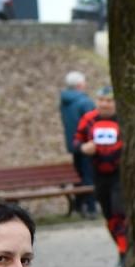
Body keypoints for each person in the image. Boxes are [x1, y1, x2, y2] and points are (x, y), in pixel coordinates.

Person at [74, 85, 126, 266]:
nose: (105, 104)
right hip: (98, 175)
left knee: (120, 212)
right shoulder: (89, 119)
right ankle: (121, 250)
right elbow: (76, 141)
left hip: (121, 175)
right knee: (109, 215)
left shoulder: (124, 120)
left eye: (109, 101)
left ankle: (125, 253)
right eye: (101, 100)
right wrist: (83, 148)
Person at [58, 72, 96, 219]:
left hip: (74, 144)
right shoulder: (84, 102)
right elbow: (93, 124)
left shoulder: (64, 101)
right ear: (80, 84)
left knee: (79, 176)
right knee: (88, 176)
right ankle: (91, 208)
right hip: (87, 144)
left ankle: (80, 205)